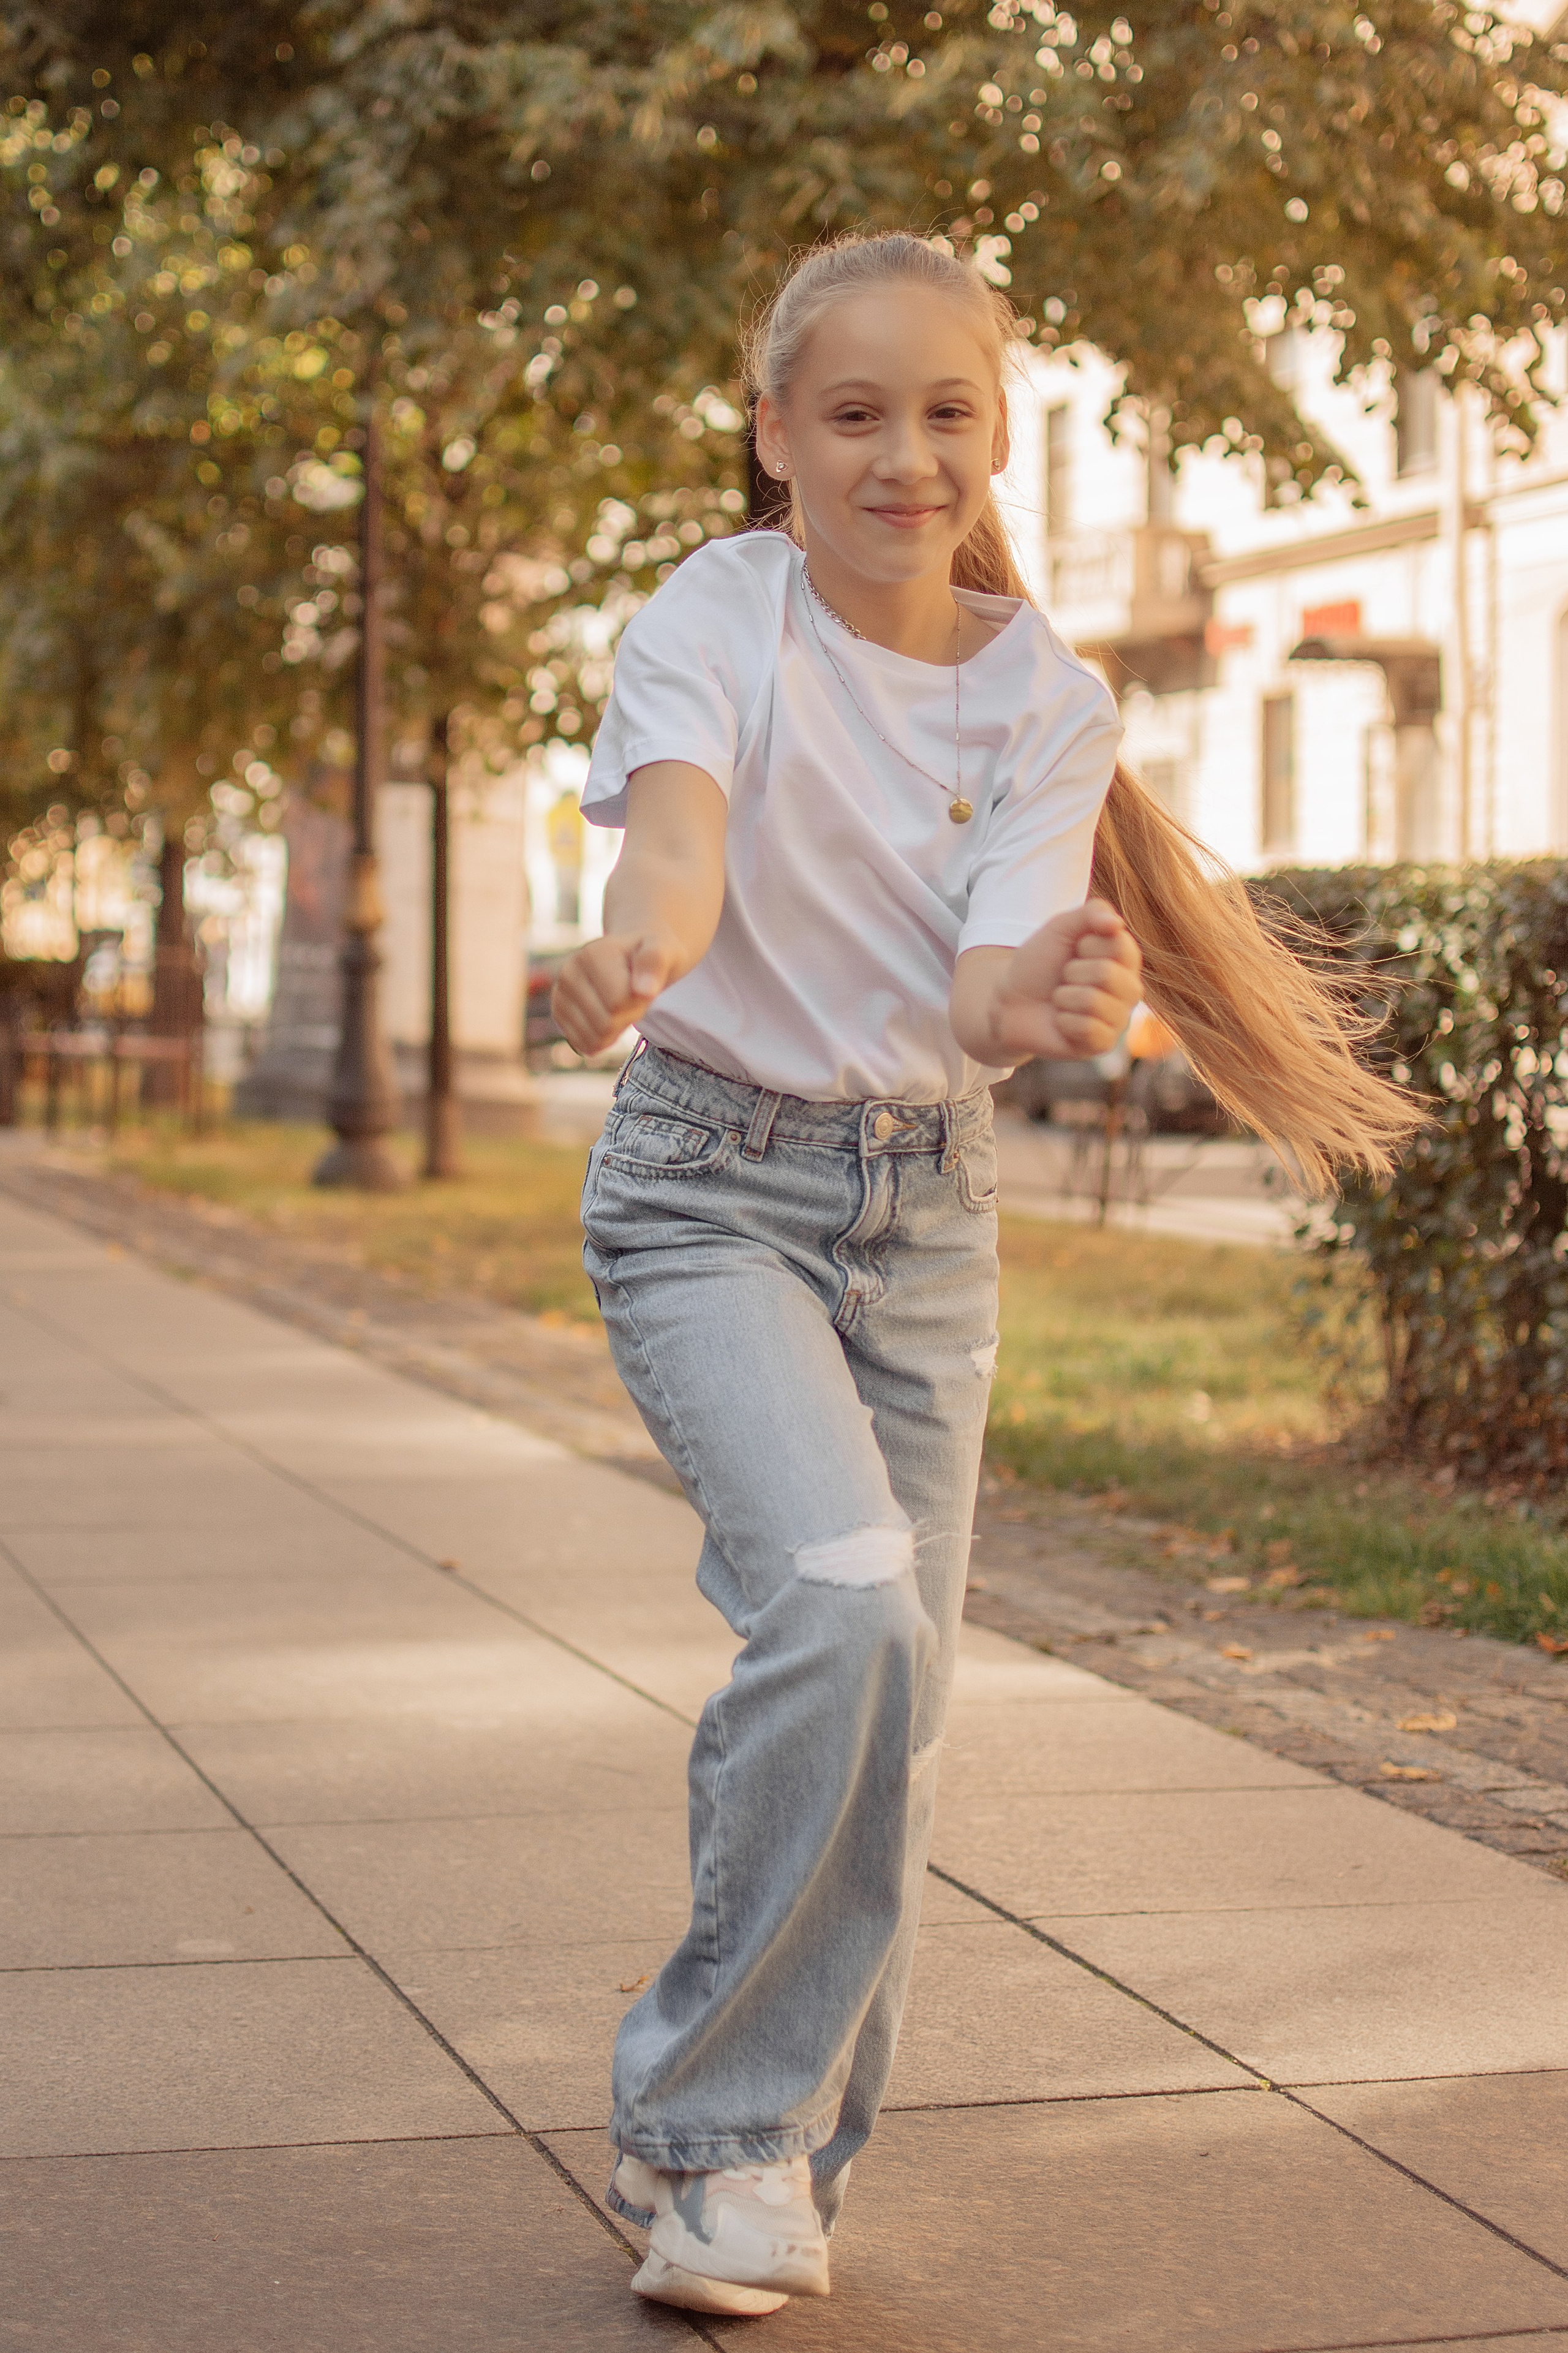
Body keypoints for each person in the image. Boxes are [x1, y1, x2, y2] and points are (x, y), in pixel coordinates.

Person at [551, 231, 1418, 2319]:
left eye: (944, 413)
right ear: (773, 436)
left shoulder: (1048, 696)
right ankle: (717, 2130)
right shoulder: (717, 614)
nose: (900, 457)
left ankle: (783, 2163)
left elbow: (986, 978)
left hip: (925, 1213)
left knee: (899, 1700)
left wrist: (1057, 997)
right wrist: (637, 942)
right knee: (846, 1619)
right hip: (709, 1189)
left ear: (998, 436)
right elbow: (674, 841)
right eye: (852, 413)